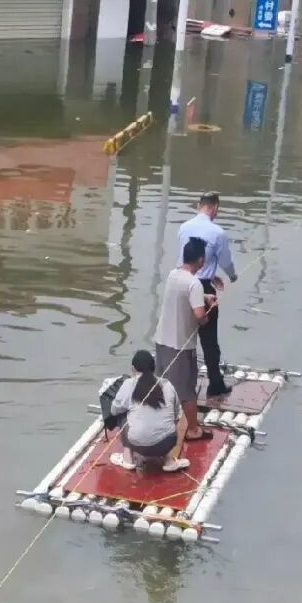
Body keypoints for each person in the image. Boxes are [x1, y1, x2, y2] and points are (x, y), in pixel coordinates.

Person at [154, 236, 215, 441]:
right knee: (186, 388)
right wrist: (207, 316)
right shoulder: (195, 283)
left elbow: (183, 294)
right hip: (180, 346)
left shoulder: (174, 274)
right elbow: (199, 315)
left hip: (162, 339)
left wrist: (204, 297)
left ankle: (158, 421)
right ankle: (193, 429)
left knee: (162, 385)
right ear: (200, 260)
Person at [177, 191, 237, 398]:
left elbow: (188, 261)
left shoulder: (183, 228)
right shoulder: (218, 233)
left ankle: (181, 384)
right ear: (215, 208)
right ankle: (215, 384)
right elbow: (226, 262)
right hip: (203, 289)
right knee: (209, 339)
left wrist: (211, 275)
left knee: (182, 335)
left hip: (183, 283)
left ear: (198, 206)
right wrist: (232, 276)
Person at [108, 350, 190, 472]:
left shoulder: (129, 384)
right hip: (167, 443)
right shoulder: (167, 385)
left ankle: (127, 458)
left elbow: (114, 410)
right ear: (154, 368)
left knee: (122, 414)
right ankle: (169, 461)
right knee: (169, 418)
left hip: (138, 445)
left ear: (133, 369)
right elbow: (177, 413)